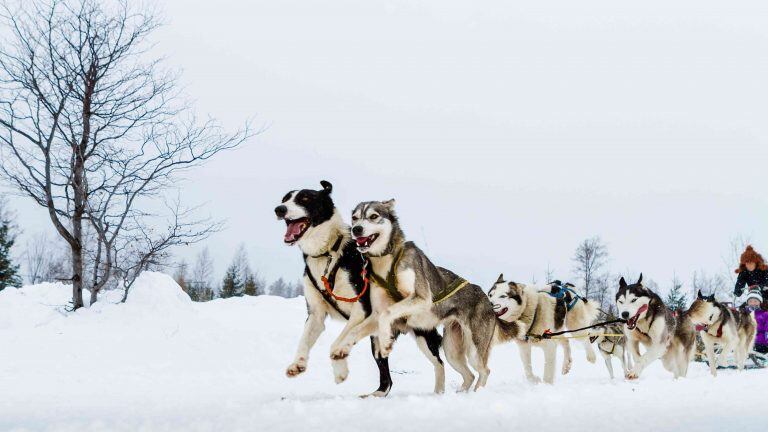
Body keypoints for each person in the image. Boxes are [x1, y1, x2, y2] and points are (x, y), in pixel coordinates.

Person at [744, 290, 768, 354]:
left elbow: (767, 329)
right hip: (745, 341)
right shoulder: (744, 315)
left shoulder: (765, 314)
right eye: (750, 301)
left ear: (760, 302)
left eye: (755, 301)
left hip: (761, 343)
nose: (753, 303)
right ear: (747, 302)